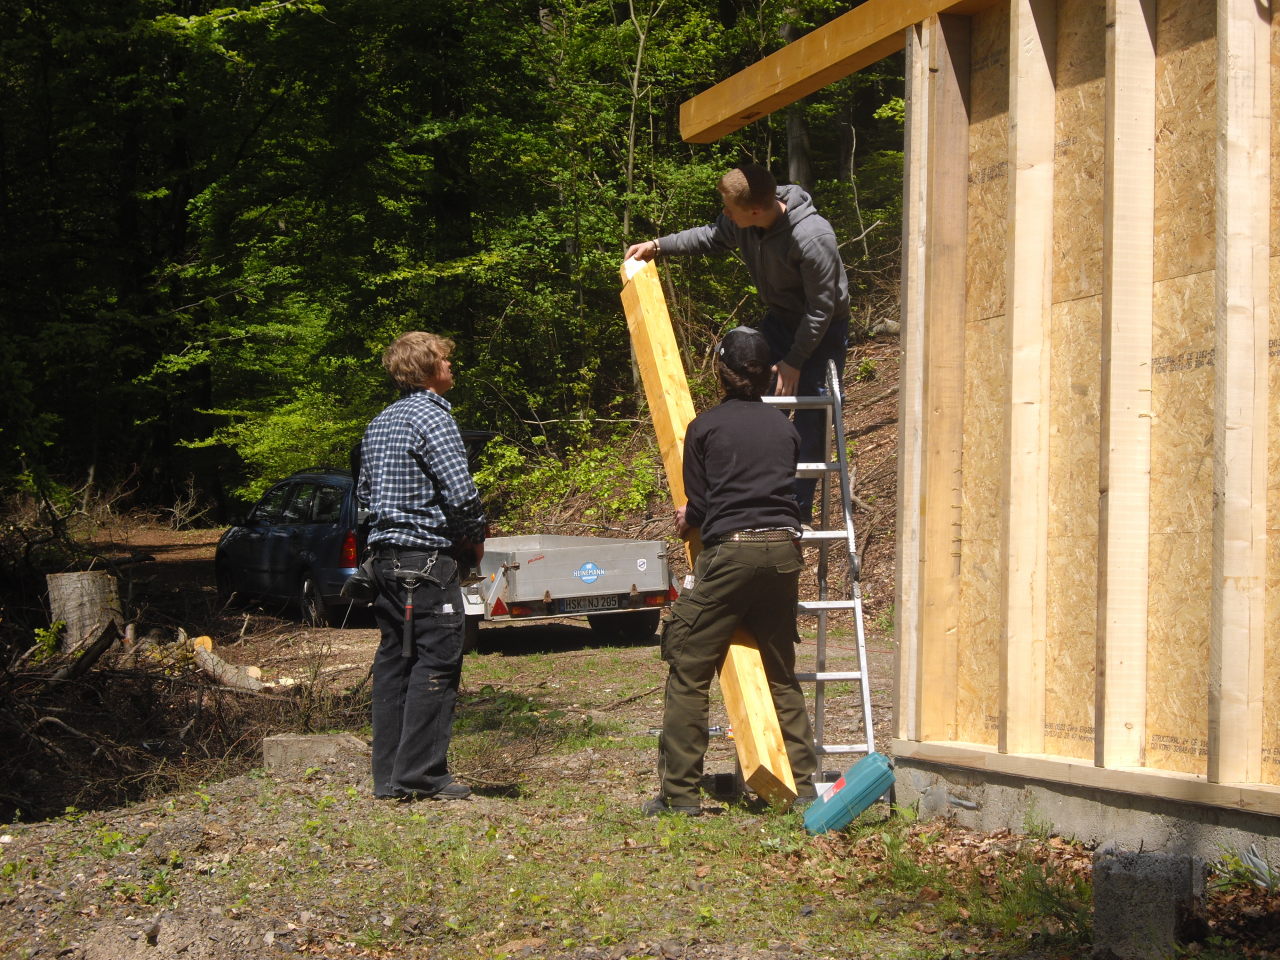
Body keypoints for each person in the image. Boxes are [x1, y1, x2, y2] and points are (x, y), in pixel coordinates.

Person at [643, 326, 818, 817]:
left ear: (721, 372)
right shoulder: (785, 427)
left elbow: (699, 506)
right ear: (768, 376)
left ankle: (680, 796)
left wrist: (689, 515)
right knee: (781, 674)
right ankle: (805, 790)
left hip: (732, 556)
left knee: (688, 667)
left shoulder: (705, 428)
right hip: (783, 554)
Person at [624, 163, 849, 524]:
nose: (725, 214)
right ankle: (746, 501)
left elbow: (821, 309)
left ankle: (793, 512)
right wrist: (657, 245)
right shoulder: (744, 221)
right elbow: (710, 235)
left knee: (811, 417)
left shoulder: (812, 238)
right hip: (781, 320)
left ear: (756, 210)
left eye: (730, 209)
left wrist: (794, 361)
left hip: (822, 331)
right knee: (749, 399)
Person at [356, 331, 487, 801]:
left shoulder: (380, 422)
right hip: (428, 561)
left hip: (385, 563)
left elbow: (364, 495)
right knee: (438, 660)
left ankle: (389, 778)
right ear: (429, 368)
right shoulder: (434, 417)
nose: (452, 367)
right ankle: (423, 775)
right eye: (446, 360)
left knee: (395, 662)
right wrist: (475, 537)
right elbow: (461, 494)